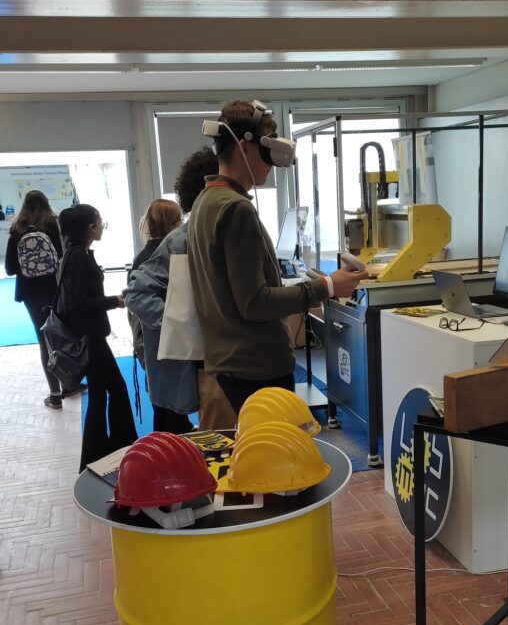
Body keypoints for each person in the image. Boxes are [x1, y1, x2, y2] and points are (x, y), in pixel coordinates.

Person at [187, 98, 369, 415]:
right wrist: (326, 287)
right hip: (256, 369)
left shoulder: (206, 201)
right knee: (277, 459)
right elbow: (254, 303)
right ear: (245, 147)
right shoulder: (236, 208)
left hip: (232, 364)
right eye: (267, 152)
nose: (271, 164)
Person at [124, 147, 236, 433]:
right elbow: (137, 293)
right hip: (206, 365)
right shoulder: (183, 239)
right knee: (216, 444)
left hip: (233, 358)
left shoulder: (230, 228)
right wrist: (182, 323)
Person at [58, 204, 138, 471]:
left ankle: (111, 450)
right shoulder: (78, 257)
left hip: (91, 337)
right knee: (106, 393)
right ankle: (104, 454)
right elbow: (79, 304)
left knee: (109, 391)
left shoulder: (75, 254)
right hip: (90, 338)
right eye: (99, 222)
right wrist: (115, 301)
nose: (102, 226)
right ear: (91, 228)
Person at [4, 189, 69, 408]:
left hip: (29, 293)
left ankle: (55, 395)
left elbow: (10, 268)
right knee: (60, 336)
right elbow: (61, 257)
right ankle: (70, 382)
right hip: (53, 288)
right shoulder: (53, 225)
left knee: (43, 342)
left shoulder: (17, 228)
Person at [127, 198, 182, 371]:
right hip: (164, 338)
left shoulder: (142, 255)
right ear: (170, 223)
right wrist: (178, 323)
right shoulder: (169, 255)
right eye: (179, 220)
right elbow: (136, 297)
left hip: (148, 336)